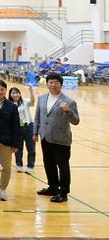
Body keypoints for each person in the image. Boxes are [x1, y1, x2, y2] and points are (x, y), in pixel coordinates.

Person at [33, 73, 80, 203]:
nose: (53, 85)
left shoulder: (69, 101)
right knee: (49, 164)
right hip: (45, 137)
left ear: (61, 84)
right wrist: (35, 132)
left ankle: (63, 192)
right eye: (50, 82)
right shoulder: (42, 98)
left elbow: (76, 121)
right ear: (47, 83)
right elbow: (37, 116)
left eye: (56, 82)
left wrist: (68, 111)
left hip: (61, 140)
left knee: (63, 167)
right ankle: (53, 187)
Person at [10, 86, 36, 173]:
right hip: (17, 128)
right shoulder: (9, 104)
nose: (15, 95)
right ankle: (19, 165)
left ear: (20, 94)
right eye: (13, 93)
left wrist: (31, 91)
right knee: (18, 148)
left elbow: (32, 102)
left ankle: (30, 166)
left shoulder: (25, 101)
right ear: (10, 95)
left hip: (28, 126)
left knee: (31, 148)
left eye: (17, 93)